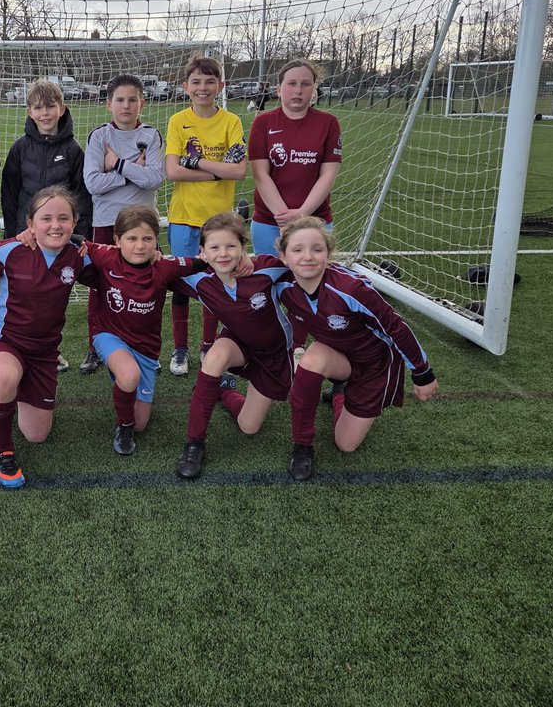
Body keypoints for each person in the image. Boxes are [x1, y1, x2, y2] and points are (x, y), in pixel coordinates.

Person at [276, 217, 439, 480]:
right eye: (297, 250)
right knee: (311, 359)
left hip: (376, 365)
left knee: (346, 445)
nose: (307, 257)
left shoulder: (351, 289)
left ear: (329, 253)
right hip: (338, 355)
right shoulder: (282, 284)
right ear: (283, 257)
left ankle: (341, 391)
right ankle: (302, 445)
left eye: (317, 249)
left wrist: (423, 373)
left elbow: (396, 328)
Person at [0, 186, 95, 488]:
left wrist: (155, 255)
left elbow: (120, 262)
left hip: (43, 354)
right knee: (4, 376)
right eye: (46, 218)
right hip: (2, 343)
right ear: (30, 223)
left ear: (75, 222)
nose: (55, 225)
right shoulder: (11, 251)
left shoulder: (79, 256)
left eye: (63, 218)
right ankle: (2, 451)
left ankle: (14, 391)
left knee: (37, 435)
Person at [172, 212, 294, 479]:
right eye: (214, 247)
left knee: (249, 426)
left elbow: (305, 267)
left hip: (273, 355)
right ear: (203, 252)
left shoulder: (266, 269)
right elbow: (151, 267)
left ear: (243, 247)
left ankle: (223, 391)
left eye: (231, 246)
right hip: (237, 344)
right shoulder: (199, 278)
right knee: (214, 358)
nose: (223, 254)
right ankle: (195, 444)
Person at [84, 204, 207, 455]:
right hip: (108, 334)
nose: (140, 246)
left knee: (141, 422)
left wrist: (223, 257)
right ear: (117, 240)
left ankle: (128, 399)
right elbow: (74, 242)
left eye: (147, 239)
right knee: (128, 375)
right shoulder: (105, 256)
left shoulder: (164, 267)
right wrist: (28, 234)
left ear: (156, 241)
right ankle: (124, 427)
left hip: (146, 348)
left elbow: (197, 263)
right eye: (132, 239)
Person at [0, 79, 91, 373]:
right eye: (38, 107)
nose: (45, 113)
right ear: (29, 111)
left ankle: (51, 350)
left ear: (61, 108)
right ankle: (14, 347)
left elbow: (81, 195)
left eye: (50, 106)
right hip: (27, 236)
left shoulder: (74, 150)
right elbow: (9, 193)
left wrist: (78, 236)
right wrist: (13, 233)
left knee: (51, 297)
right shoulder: (20, 148)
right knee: (22, 294)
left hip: (57, 238)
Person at [163, 54, 247, 377]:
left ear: (220, 86)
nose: (203, 88)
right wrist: (217, 171)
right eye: (196, 82)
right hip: (184, 217)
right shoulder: (177, 121)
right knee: (181, 285)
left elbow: (238, 171)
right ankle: (180, 348)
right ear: (185, 86)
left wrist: (196, 162)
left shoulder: (231, 121)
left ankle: (209, 345)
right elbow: (173, 171)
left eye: (210, 81)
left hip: (219, 222)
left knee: (216, 283)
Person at [81, 73, 165, 374]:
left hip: (142, 223)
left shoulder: (151, 135)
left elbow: (155, 179)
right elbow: (93, 183)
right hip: (107, 222)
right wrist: (132, 172)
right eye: (120, 100)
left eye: (132, 100)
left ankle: (143, 347)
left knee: (146, 286)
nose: (126, 105)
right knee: (101, 285)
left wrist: (116, 164)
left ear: (142, 103)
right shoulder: (99, 136)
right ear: (109, 104)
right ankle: (95, 347)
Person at [248, 60, 342, 254]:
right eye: (292, 83)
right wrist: (284, 218)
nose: (298, 90)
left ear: (313, 90)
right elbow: (260, 174)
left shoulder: (329, 123)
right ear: (278, 89)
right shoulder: (263, 122)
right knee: (270, 273)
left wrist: (302, 214)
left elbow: (328, 175)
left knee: (311, 272)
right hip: (270, 221)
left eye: (305, 84)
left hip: (315, 221)